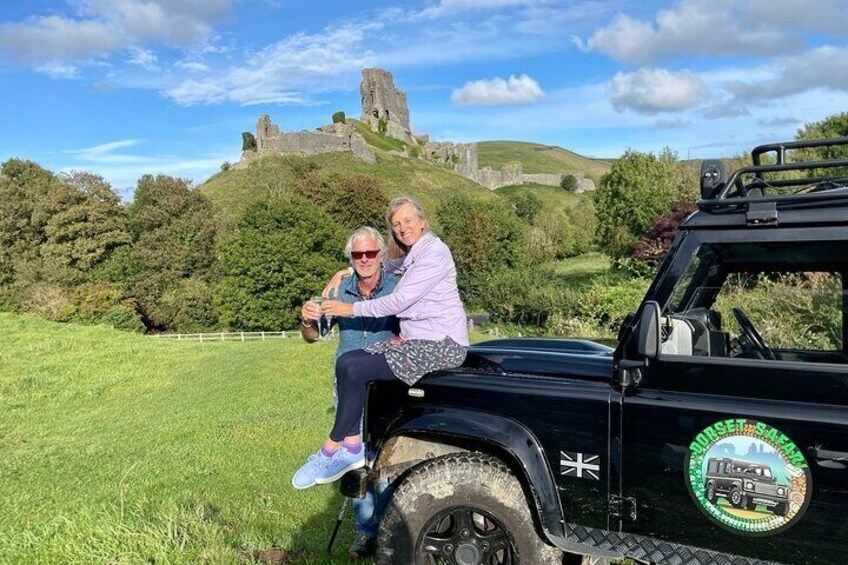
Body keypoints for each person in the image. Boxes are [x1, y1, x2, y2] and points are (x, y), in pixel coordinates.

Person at [292, 195, 469, 490]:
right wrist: (311, 315)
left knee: (381, 460)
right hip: (407, 349)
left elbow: (398, 301)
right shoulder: (403, 260)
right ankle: (350, 451)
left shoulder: (429, 256)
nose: (364, 259)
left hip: (438, 345)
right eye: (396, 224)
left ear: (423, 221)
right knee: (346, 361)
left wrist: (349, 309)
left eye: (408, 221)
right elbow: (314, 333)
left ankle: (328, 451)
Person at [297, 226, 399, 560]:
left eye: (371, 253)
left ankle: (390, 529)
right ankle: (365, 533)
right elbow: (312, 337)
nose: (365, 260)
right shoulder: (339, 287)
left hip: (390, 388)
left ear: (381, 254)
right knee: (355, 464)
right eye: (358, 255)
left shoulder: (399, 285)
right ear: (350, 258)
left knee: (389, 462)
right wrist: (306, 319)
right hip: (350, 390)